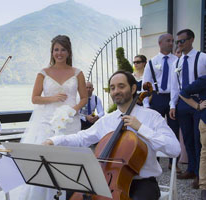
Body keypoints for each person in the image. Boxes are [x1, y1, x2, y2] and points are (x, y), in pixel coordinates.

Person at [44, 70, 181, 200]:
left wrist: (141, 128)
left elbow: (175, 149)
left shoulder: (152, 117)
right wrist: (54, 140)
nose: (116, 91)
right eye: (113, 88)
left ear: (133, 89)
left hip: (142, 183)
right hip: (108, 180)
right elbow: (81, 138)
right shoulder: (106, 120)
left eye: (121, 86)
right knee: (71, 193)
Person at [18, 35, 87, 200]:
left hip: (70, 123)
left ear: (69, 52)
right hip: (47, 123)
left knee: (68, 163)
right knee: (46, 163)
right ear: (52, 52)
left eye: (63, 49)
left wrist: (74, 109)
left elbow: (84, 98)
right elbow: (34, 98)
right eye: (56, 49)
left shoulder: (77, 73)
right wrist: (52, 98)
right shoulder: (43, 73)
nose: (59, 53)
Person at [170, 29, 206, 189]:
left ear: (191, 40)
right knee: (188, 139)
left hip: (199, 101)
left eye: (182, 41)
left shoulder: (203, 58)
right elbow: (174, 86)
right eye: (178, 42)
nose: (179, 44)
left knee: (199, 140)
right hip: (183, 104)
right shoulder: (176, 62)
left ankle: (200, 175)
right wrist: (173, 104)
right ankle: (191, 169)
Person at [142, 33, 180, 172]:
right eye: (168, 41)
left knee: (173, 130)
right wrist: (146, 105)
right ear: (160, 43)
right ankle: (154, 162)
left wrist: (174, 103)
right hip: (157, 98)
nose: (171, 43)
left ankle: (173, 163)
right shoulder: (152, 62)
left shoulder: (177, 60)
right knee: (154, 130)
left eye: (172, 41)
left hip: (173, 97)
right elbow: (146, 84)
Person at [179, 75, 206, 199]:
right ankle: (204, 187)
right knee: (204, 153)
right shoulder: (204, 79)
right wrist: (197, 106)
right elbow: (183, 92)